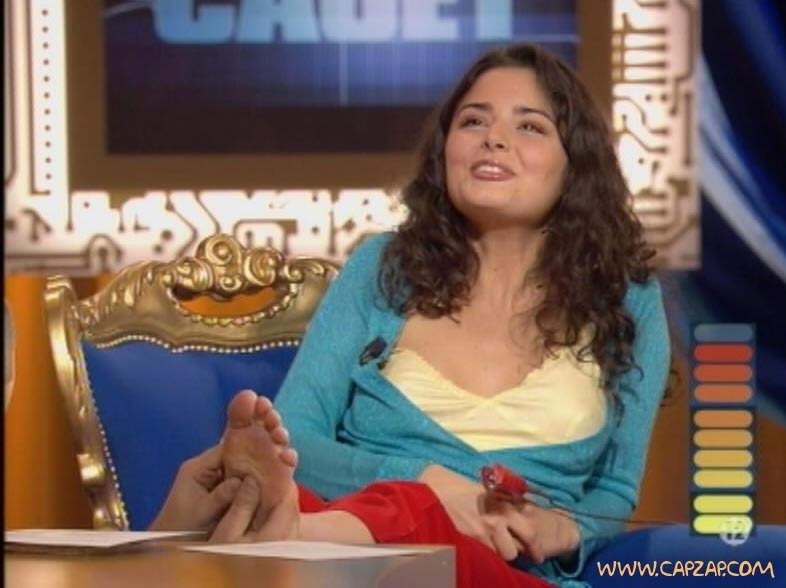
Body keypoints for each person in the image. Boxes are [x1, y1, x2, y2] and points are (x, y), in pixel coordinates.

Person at [152, 43, 671, 588]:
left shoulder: (627, 297)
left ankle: (286, 537)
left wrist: (565, 528)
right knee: (332, 504)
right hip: (354, 560)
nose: (494, 138)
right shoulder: (385, 267)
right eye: (473, 121)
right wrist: (425, 480)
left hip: (502, 570)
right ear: (446, 150)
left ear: (576, 165)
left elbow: (615, 490)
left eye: (530, 127)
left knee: (412, 515)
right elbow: (296, 440)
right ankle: (287, 534)